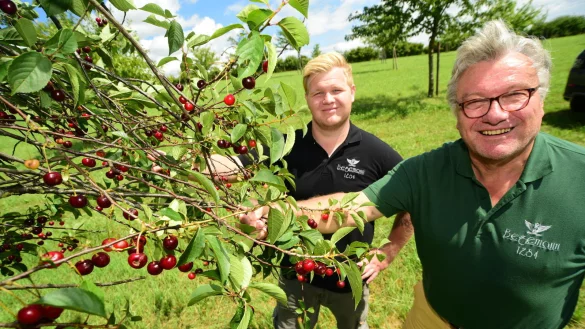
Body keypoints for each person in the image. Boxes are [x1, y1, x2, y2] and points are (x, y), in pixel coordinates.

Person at [242, 21, 585, 329]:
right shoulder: (424, 171)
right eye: (476, 101)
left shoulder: (579, 179)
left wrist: (389, 249)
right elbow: (348, 207)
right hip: (429, 319)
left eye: (514, 95)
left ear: (541, 98)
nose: (495, 114)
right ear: (457, 111)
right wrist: (275, 213)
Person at [184, 52, 411, 329]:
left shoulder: (376, 153)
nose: (328, 100)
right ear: (307, 98)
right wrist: (179, 163)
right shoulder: (288, 144)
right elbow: (232, 165)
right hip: (296, 274)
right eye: (318, 93)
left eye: (336, 90)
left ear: (352, 92)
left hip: (350, 275)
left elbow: (411, 200)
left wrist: (388, 250)